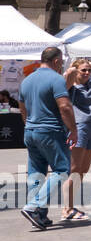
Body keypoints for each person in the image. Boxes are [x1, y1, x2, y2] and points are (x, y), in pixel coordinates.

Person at [18, 46, 77, 230]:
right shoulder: (56, 79)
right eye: (61, 63)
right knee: (62, 170)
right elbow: (65, 107)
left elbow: (22, 107)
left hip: (31, 131)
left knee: (37, 173)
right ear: (57, 61)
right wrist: (73, 130)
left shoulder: (27, 81)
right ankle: (33, 206)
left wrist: (29, 124)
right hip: (50, 131)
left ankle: (40, 215)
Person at [61, 58, 91, 222]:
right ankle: (67, 208)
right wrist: (74, 68)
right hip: (79, 127)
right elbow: (67, 76)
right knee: (74, 169)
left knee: (83, 169)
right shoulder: (70, 87)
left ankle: (70, 205)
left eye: (89, 71)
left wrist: (86, 62)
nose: (87, 73)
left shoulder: (90, 85)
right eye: (84, 71)